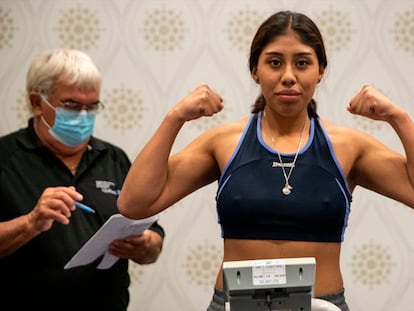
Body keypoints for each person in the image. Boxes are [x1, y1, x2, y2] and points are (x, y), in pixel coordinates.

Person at [117, 10, 414, 311]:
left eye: (302, 63)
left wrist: (399, 118)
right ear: (255, 70)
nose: (288, 76)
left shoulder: (348, 146)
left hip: (322, 305)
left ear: (320, 70)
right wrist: (175, 117)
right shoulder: (224, 143)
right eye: (274, 62)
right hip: (233, 304)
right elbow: (134, 204)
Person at [0, 48, 165, 311]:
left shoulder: (115, 159)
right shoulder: (5, 158)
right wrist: (30, 223)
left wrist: (145, 244)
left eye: (92, 107)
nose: (83, 116)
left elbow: (154, 240)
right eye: (72, 106)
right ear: (36, 103)